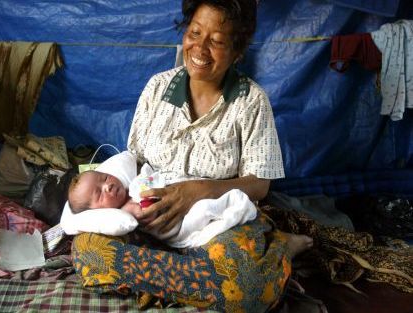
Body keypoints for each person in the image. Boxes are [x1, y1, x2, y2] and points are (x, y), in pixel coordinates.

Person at [71, 0, 313, 311]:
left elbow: (259, 185)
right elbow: (137, 163)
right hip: (151, 225)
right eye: (195, 33)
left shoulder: (251, 100)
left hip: (216, 225)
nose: (199, 48)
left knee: (248, 287)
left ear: (237, 51)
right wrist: (132, 206)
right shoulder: (157, 88)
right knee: (88, 252)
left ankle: (272, 252)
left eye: (216, 41)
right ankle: (209, 281)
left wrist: (197, 191)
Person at [66, 151, 258, 248]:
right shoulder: (124, 212)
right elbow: (148, 213)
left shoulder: (131, 186)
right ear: (96, 211)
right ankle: (234, 206)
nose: (107, 186)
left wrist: (150, 179)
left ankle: (234, 206)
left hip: (193, 194)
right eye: (99, 194)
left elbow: (149, 177)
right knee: (205, 209)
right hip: (181, 226)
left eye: (105, 178)